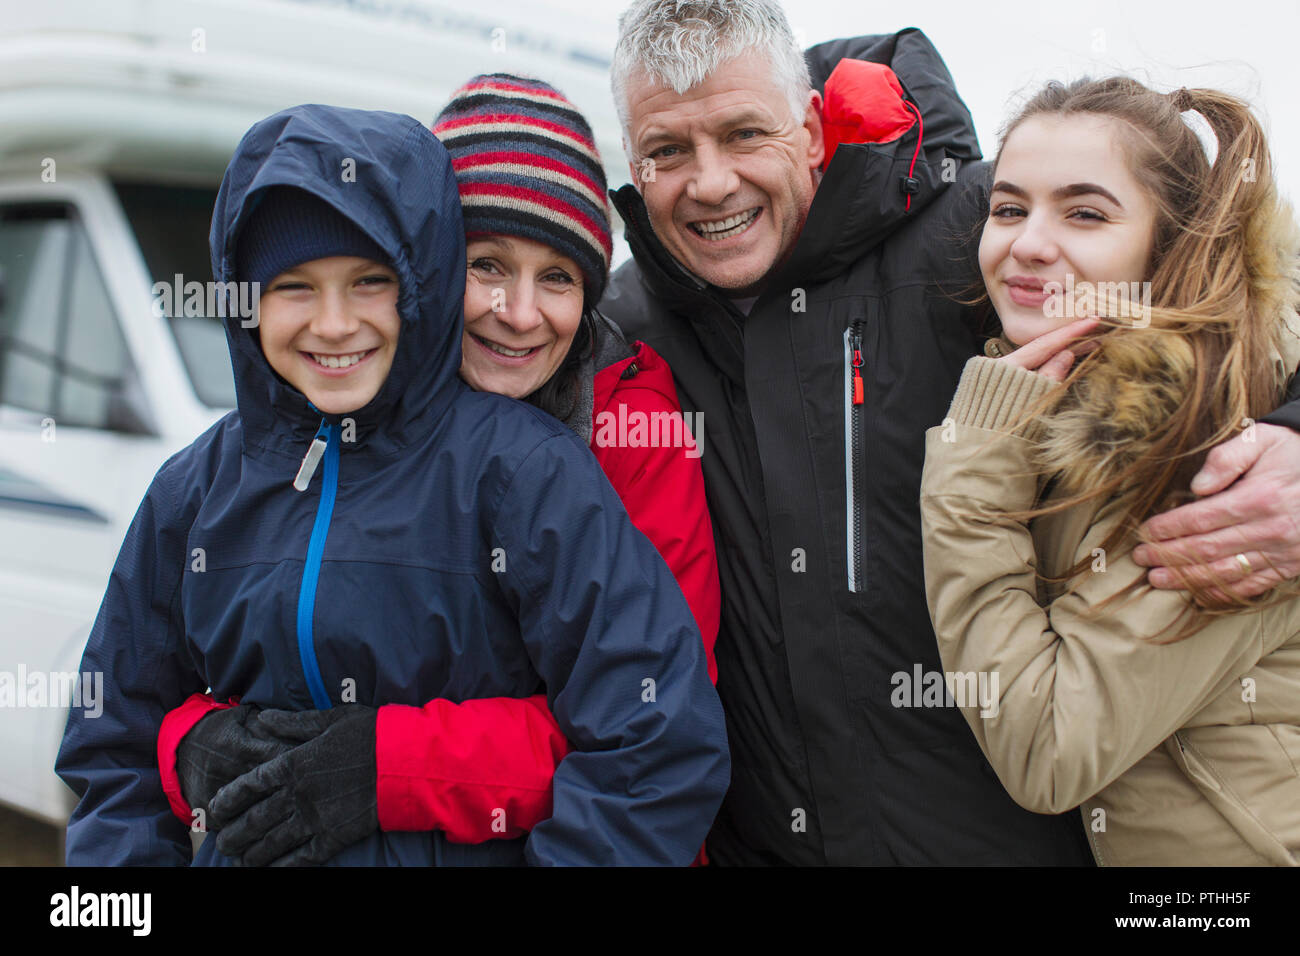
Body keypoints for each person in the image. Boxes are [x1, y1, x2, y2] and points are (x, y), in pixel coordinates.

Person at [598, 0, 1300, 864]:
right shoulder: (619, 330)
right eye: (667, 152)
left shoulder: (978, 230)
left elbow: (1222, 303)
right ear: (631, 162)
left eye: (746, 134)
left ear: (813, 127)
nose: (709, 183)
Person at [54, 103, 729, 866]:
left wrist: (382, 765)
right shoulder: (193, 489)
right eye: (294, 287)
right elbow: (112, 751)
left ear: (418, 286)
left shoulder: (525, 470)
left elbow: (654, 737)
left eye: (370, 281)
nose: (335, 324)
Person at [920, 77, 1300, 865]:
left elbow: (1048, 749)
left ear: (1170, 245)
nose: (1027, 242)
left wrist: (970, 471)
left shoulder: (1217, 449)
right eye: (1010, 207)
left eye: (1085, 212)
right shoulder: (1074, 400)